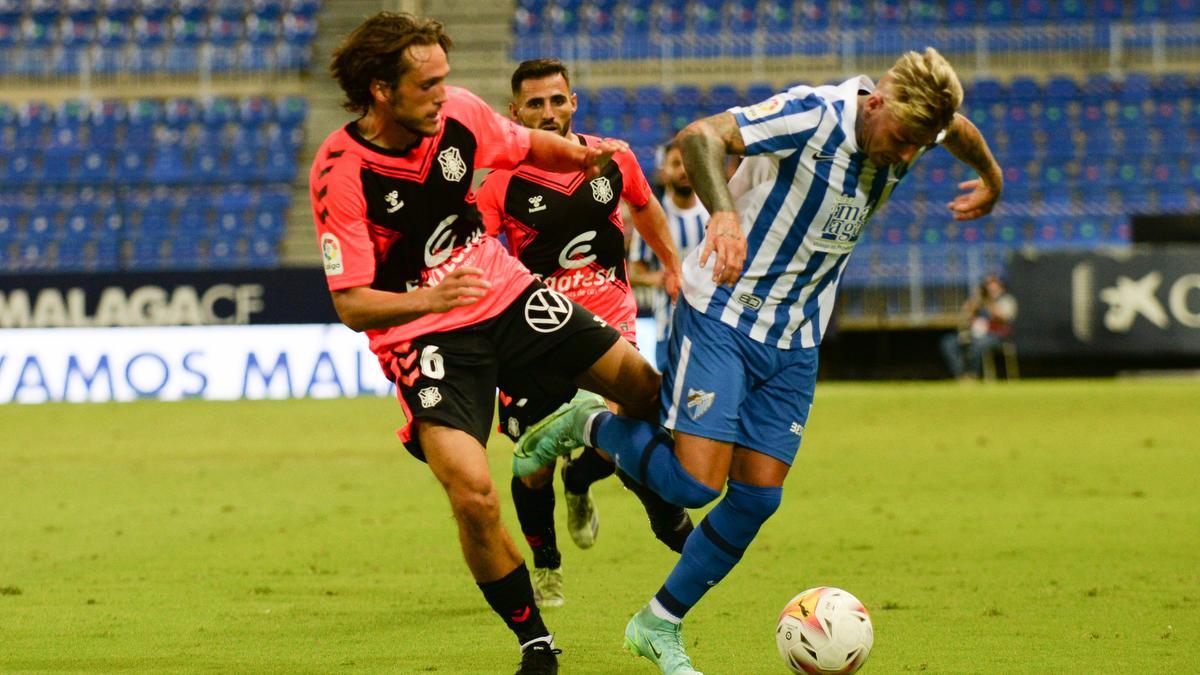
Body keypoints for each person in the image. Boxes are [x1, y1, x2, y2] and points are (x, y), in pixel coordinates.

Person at [513, 47, 1003, 674]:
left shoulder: (916, 124)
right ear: (875, 103)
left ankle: (657, 624)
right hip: (723, 310)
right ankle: (586, 423)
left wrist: (991, 178)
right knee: (693, 484)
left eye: (919, 145)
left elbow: (954, 128)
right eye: (904, 139)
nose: (907, 156)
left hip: (797, 337)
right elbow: (702, 136)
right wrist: (723, 215)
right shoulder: (813, 115)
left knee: (756, 499)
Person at [310, 13, 664, 674]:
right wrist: (429, 298)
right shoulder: (341, 169)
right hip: (423, 333)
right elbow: (352, 302)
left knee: (642, 387)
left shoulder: (462, 115)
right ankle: (534, 639)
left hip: (505, 294)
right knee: (472, 493)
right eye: (427, 83)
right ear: (382, 90)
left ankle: (603, 459)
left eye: (445, 78)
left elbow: (528, 146)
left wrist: (584, 156)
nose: (443, 92)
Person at [474, 58, 693, 609]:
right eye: (535, 105)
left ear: (574, 102)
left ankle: (665, 517)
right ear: (514, 113)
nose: (548, 114)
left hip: (609, 319)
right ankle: (547, 562)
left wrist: (671, 265)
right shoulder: (501, 183)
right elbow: (475, 256)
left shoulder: (614, 160)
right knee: (531, 467)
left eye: (557, 101)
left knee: (631, 418)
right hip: (537, 328)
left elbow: (645, 208)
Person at [628, 141, 709, 371]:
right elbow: (634, 272)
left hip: (712, 327)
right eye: (676, 163)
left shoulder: (712, 215)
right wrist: (662, 278)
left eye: (688, 163)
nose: (683, 170)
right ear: (664, 171)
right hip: (668, 328)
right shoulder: (652, 218)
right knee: (669, 401)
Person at [940, 273, 1017, 379]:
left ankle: (973, 374)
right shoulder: (979, 300)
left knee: (978, 345)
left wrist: (987, 302)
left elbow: (1002, 317)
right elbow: (965, 315)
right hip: (974, 335)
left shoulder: (1007, 300)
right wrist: (975, 302)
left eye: (994, 284)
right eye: (988, 284)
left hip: (997, 337)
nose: (991, 287)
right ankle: (962, 375)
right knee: (948, 342)